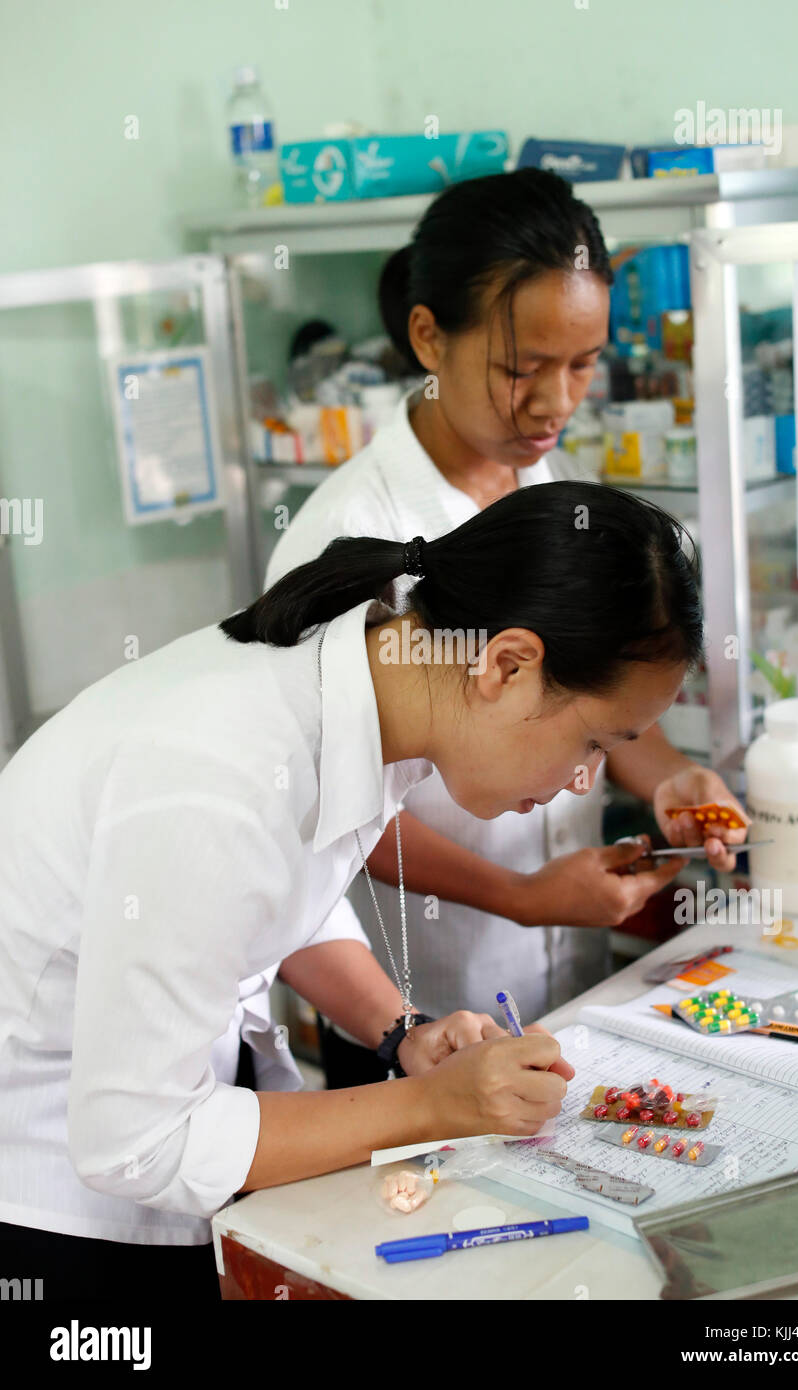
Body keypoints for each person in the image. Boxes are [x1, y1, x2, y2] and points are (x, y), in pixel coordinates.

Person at [0, 480, 709, 1300]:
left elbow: (283, 895)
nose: (586, 775)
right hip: (56, 1187)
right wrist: (434, 1108)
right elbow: (135, 1141)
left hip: (177, 1106)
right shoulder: (218, 778)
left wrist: (402, 1033)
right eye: (591, 740)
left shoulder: (380, 684)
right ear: (507, 664)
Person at [264, 169, 748, 1085]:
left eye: (584, 363)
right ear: (427, 337)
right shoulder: (343, 539)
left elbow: (595, 679)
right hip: (416, 1006)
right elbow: (327, 807)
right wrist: (520, 897)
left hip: (560, 968)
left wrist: (670, 777)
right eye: (523, 368)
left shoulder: (541, 480)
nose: (555, 401)